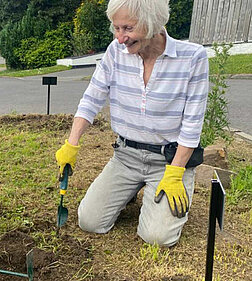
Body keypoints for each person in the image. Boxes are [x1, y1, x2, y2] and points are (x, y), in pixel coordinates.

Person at [55, 0, 208, 247]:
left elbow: (192, 125)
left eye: (127, 28)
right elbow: (92, 98)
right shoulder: (115, 53)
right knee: (89, 221)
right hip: (126, 156)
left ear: (153, 24)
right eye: (116, 28)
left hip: (168, 161)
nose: (120, 38)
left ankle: (160, 195)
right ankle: (131, 192)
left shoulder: (192, 58)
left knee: (157, 238)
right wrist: (71, 144)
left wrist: (176, 172)